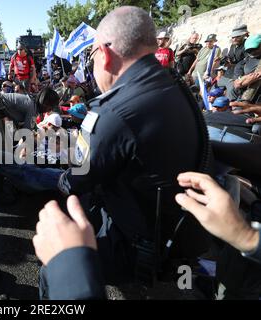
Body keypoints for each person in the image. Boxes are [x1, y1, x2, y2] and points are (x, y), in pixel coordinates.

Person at [34, 6, 209, 300]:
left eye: (90, 57)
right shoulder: (173, 84)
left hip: (139, 245)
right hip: (180, 231)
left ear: (105, 53)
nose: (92, 65)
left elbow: (76, 180)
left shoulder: (112, 111)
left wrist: (61, 176)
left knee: (52, 267)